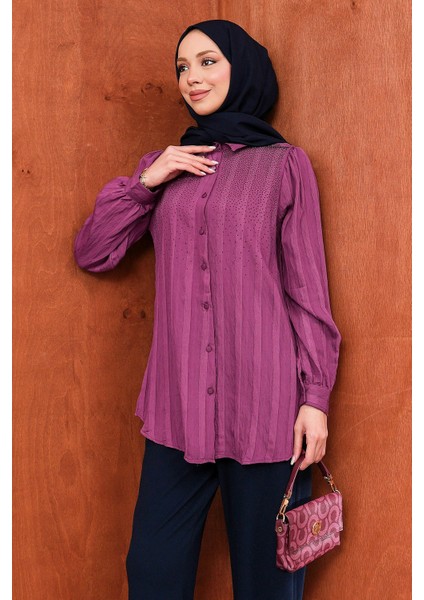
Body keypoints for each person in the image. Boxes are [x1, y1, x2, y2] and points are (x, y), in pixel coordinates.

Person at [74, 19, 342, 600]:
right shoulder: (166, 165)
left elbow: (307, 293)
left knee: (267, 584)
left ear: (241, 68)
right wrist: (149, 180)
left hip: (266, 412)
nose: (191, 77)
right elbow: (93, 252)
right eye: (182, 67)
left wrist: (315, 400)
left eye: (207, 61)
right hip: (177, 409)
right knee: (152, 573)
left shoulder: (283, 165)